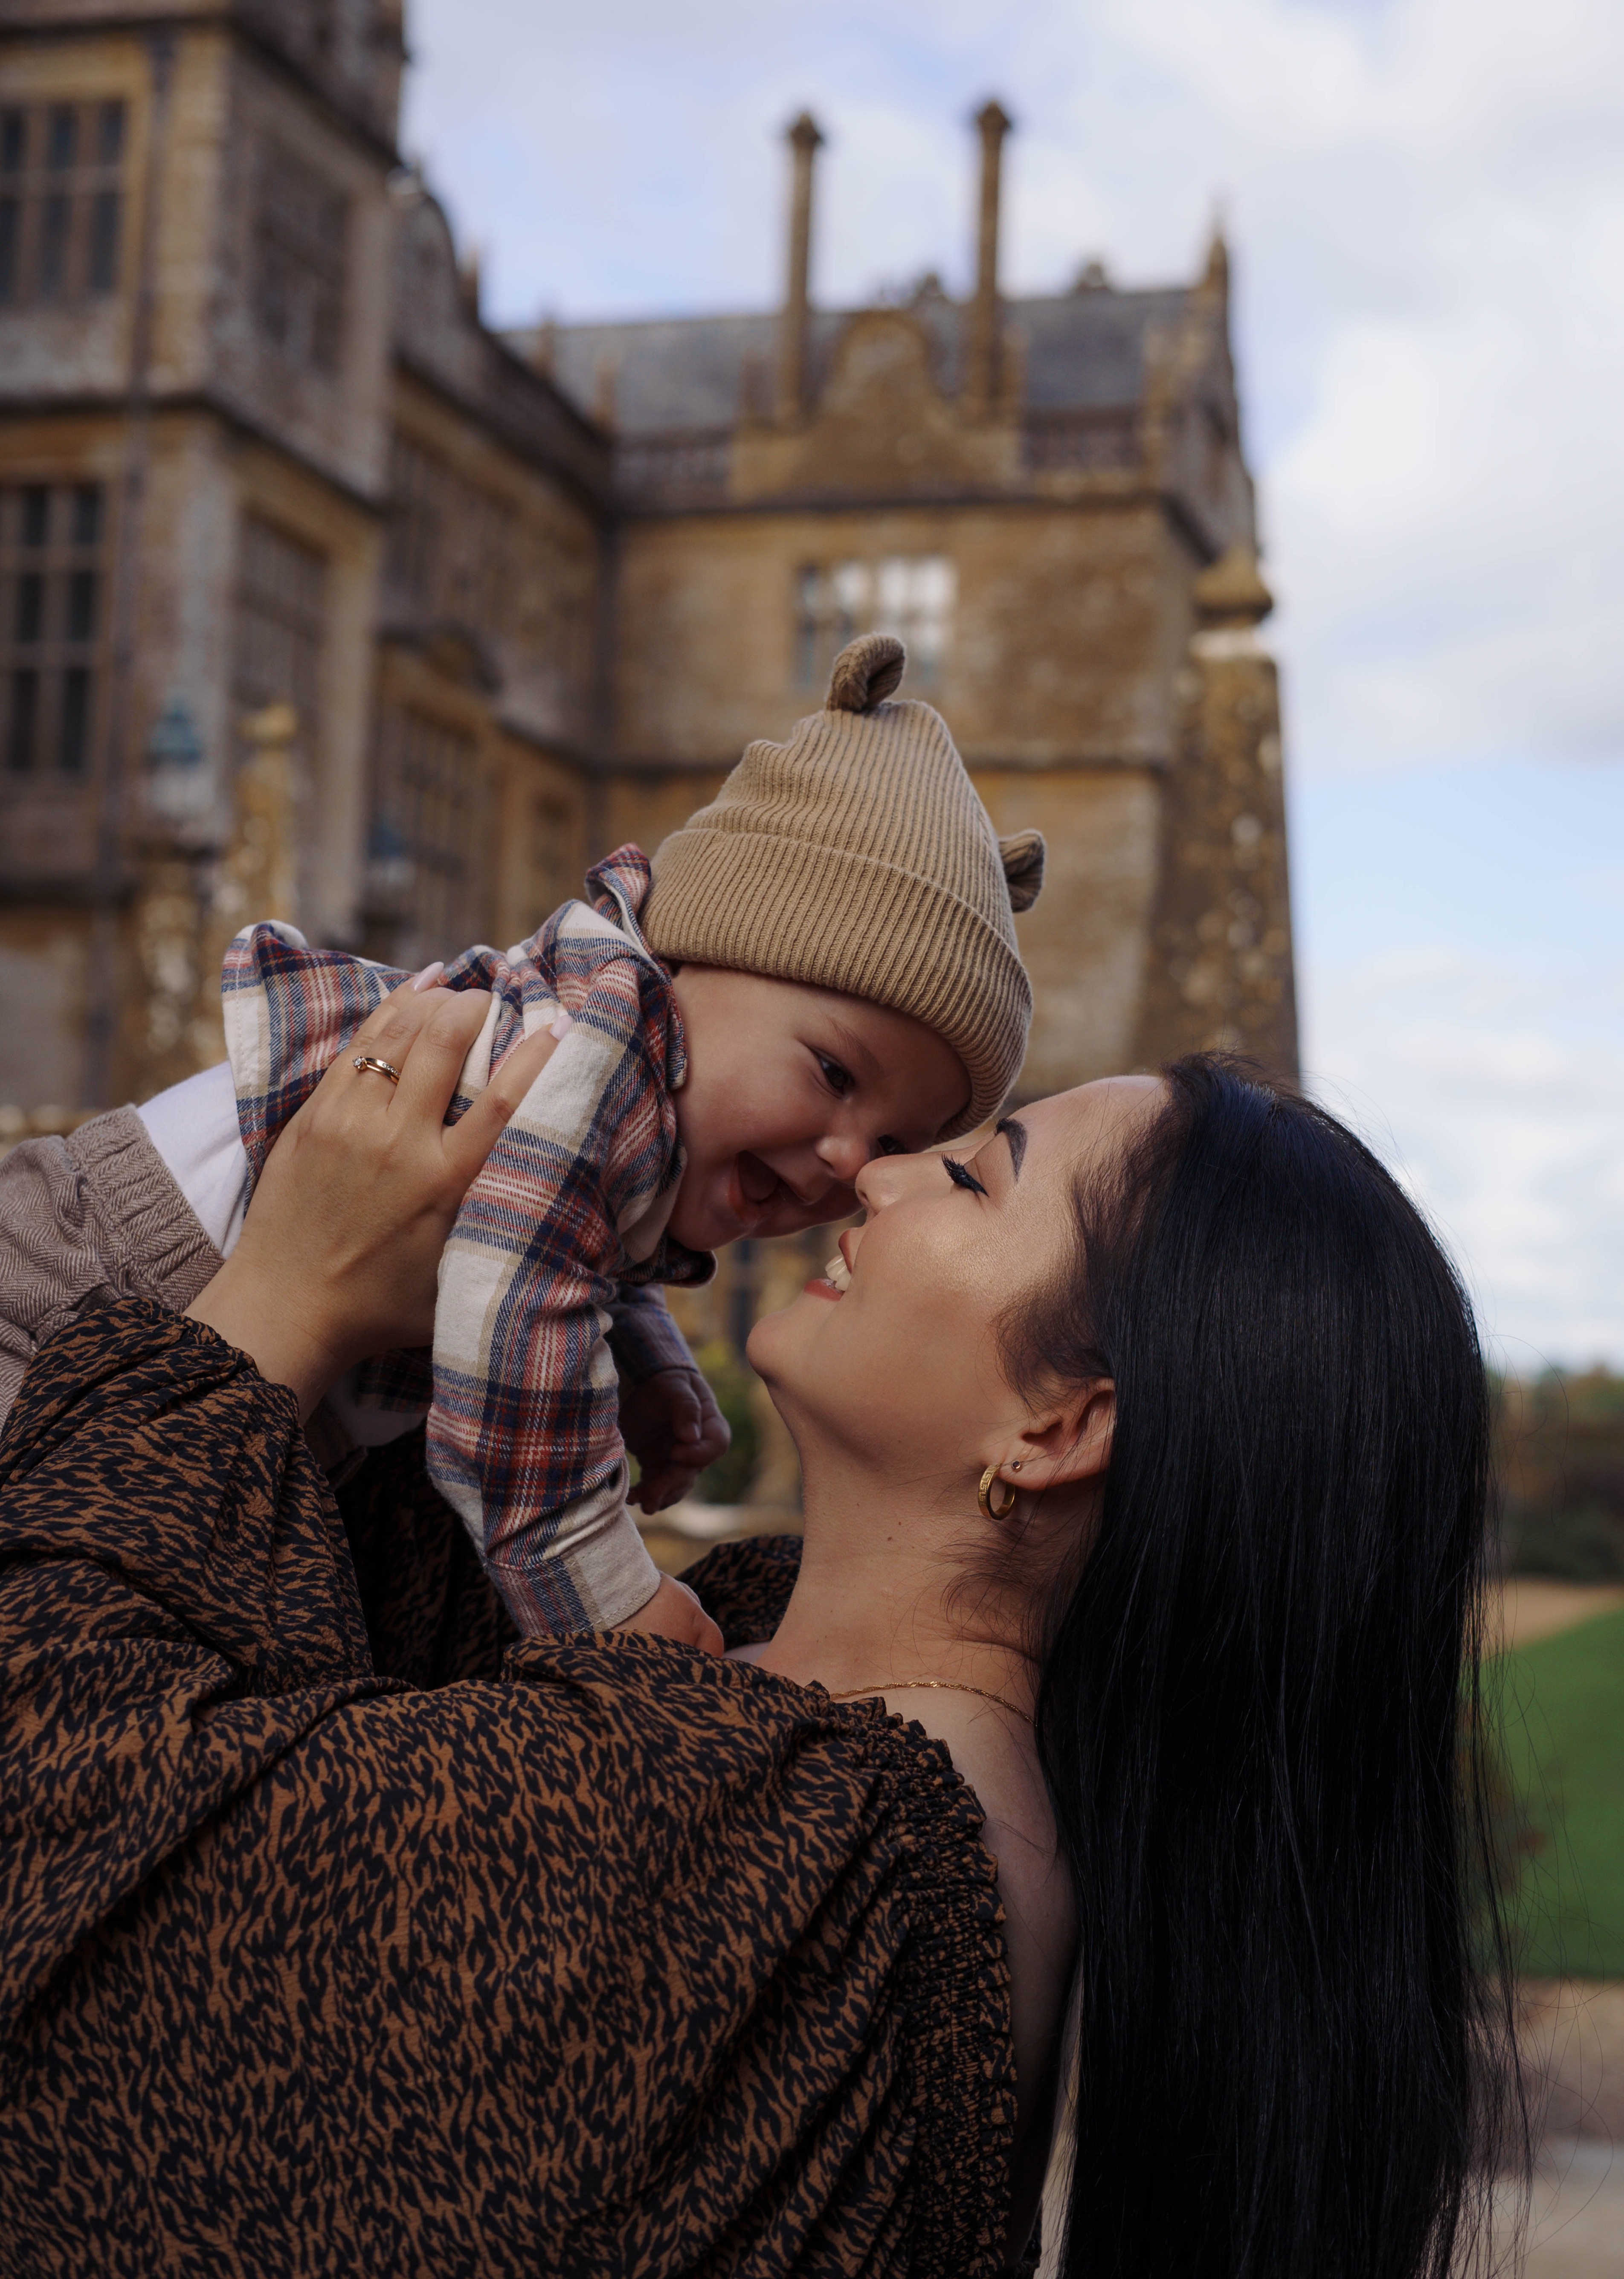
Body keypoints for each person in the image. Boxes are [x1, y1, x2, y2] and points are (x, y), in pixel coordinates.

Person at [0, 991, 1519, 2279]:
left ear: (1059, 1425)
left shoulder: (785, 1828)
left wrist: (281, 1296)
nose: (879, 1178)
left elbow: (57, 1837)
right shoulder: (836, 1747)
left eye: (975, 1178)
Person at [2, 630, 1044, 1653]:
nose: (850, 1161)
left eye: (895, 1139)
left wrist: (646, 1361)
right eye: (832, 1074)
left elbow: (581, 1239)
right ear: (685, 963)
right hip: (87, 1281)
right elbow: (514, 1320)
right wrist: (607, 1597)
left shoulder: (642, 1091)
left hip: (193, 1357)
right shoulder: (599, 1048)